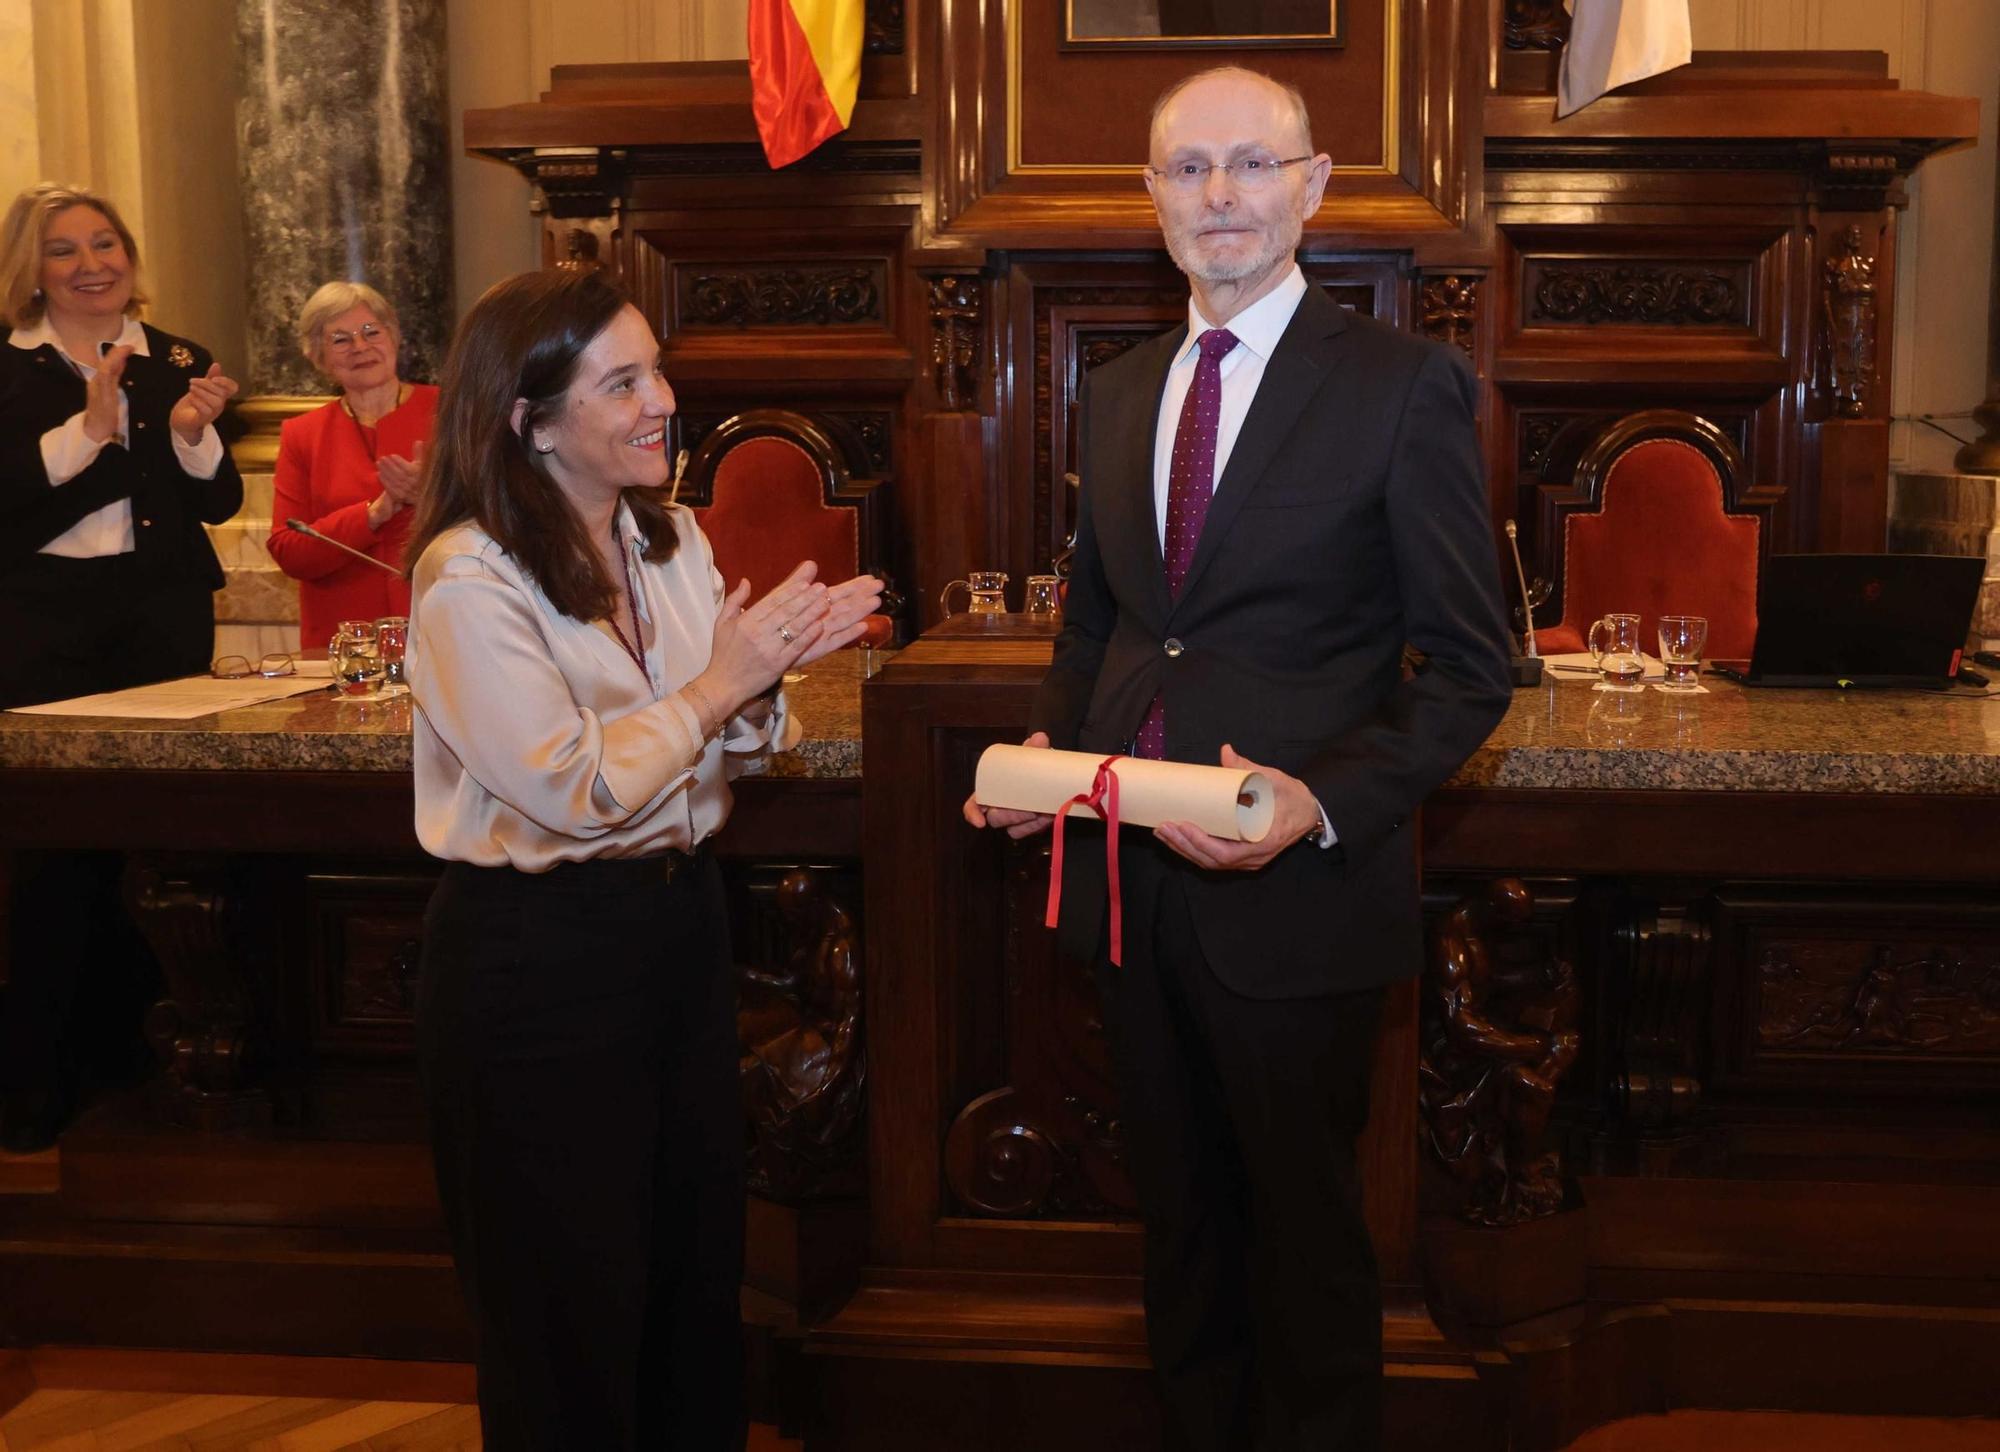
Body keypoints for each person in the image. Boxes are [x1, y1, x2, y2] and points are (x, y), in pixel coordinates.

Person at [964, 67, 1512, 1450]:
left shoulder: (1405, 388)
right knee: (1179, 1225)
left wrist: (1320, 805)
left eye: (1250, 166)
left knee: (1305, 1237)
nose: (1221, 196)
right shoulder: (1118, 387)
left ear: (1313, 186)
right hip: (1131, 891)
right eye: (1189, 169)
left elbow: (1469, 669)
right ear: (1150, 199)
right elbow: (1105, 625)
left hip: (1300, 902)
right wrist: (1059, 762)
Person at [403, 268, 880, 1451]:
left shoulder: (669, 538)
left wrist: (765, 679)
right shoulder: (468, 577)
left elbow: (735, 739)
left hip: (674, 931)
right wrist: (723, 681)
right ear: (530, 416)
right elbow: (568, 787)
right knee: (564, 1308)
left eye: (655, 368)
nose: (662, 400)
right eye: (622, 382)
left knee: (687, 1277)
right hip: (533, 963)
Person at [0, 182, 242, 1153]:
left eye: (106, 243)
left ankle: (159, 1068)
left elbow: (217, 501)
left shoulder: (175, 357)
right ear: (33, 269)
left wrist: (187, 435)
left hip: (163, 628)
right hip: (48, 637)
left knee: (165, 853)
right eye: (66, 250)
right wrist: (89, 436)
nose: (92, 263)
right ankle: (40, 1089)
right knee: (59, 861)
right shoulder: (10, 372)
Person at [265, 281, 434, 651]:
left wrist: (431, 494)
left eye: (371, 332)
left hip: (442, 630)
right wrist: (371, 515)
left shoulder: (450, 411)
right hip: (344, 644)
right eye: (340, 339)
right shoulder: (302, 434)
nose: (360, 347)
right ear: (317, 357)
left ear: (395, 336)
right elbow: (288, 548)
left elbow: (504, 515)